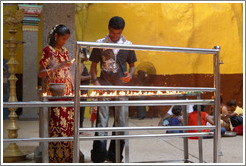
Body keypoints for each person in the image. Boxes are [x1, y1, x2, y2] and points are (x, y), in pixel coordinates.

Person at [89, 16, 137, 163]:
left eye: (118, 33)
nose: (115, 36)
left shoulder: (128, 45)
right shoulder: (100, 43)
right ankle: (99, 156)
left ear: (122, 31)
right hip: (103, 86)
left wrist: (130, 74)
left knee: (121, 121)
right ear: (108, 29)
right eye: (112, 33)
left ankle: (115, 156)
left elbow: (132, 65)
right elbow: (93, 65)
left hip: (121, 87)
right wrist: (95, 81)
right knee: (101, 122)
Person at [38, 24, 83, 162]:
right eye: (63, 39)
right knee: (58, 125)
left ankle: (69, 156)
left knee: (69, 126)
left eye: (66, 39)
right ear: (56, 36)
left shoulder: (64, 51)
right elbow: (41, 73)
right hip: (55, 93)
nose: (64, 42)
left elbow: (67, 71)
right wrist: (58, 66)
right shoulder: (47, 51)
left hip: (67, 92)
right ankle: (55, 157)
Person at [80, 48, 91, 129]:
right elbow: (78, 78)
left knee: (82, 110)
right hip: (81, 91)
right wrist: (89, 76)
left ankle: (80, 128)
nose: (88, 56)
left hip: (83, 91)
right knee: (80, 110)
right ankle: (80, 129)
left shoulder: (81, 64)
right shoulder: (80, 64)